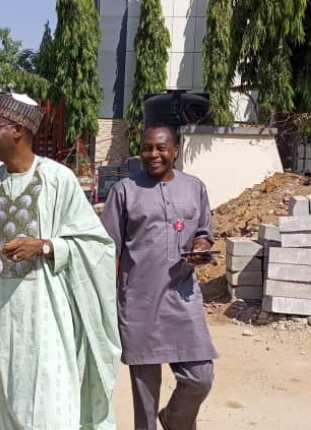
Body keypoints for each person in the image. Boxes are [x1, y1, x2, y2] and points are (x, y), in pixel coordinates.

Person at [0, 92, 121, 429]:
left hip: (45, 320)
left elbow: (96, 246)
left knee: (48, 407)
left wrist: (45, 246)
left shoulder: (58, 180)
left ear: (17, 130)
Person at [99, 125, 218, 430]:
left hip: (182, 298)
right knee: (144, 398)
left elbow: (204, 233)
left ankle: (175, 419)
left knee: (200, 377)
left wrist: (201, 248)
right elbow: (107, 250)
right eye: (147, 148)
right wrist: (108, 303)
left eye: (161, 148)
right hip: (139, 303)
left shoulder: (195, 187)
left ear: (175, 150)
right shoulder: (124, 191)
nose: (153, 154)